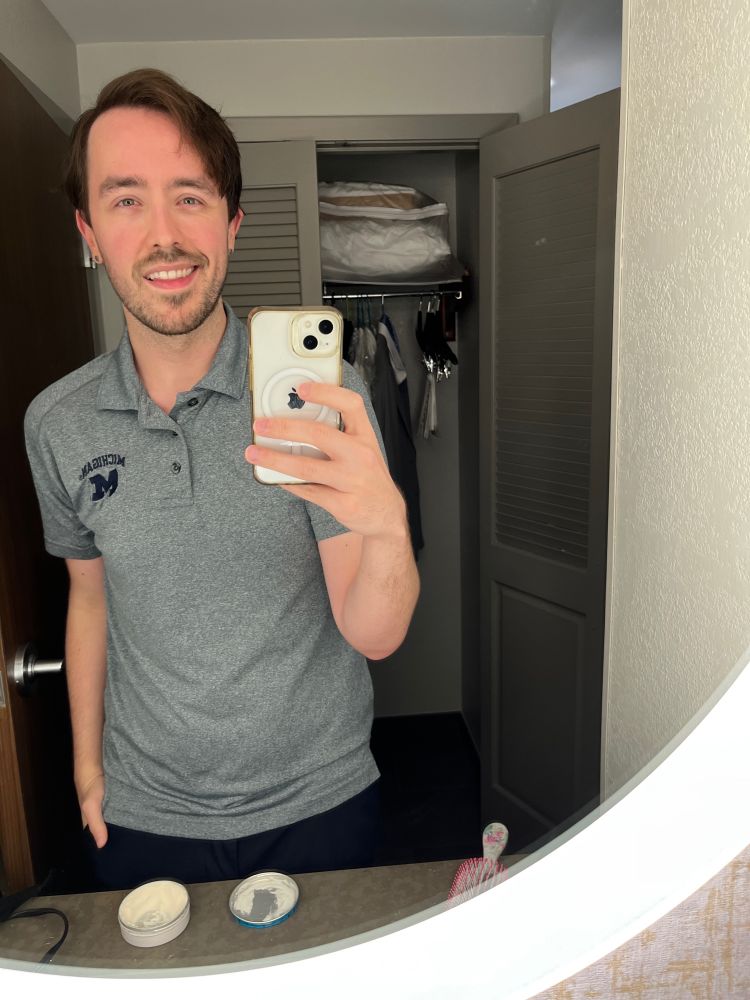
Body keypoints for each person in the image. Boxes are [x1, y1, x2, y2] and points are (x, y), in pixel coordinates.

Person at [23, 68, 420, 891]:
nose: (164, 234)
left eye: (191, 196)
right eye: (126, 199)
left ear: (233, 224)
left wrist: (386, 525)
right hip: (143, 814)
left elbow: (374, 632)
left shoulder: (321, 397)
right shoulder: (57, 426)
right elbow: (89, 599)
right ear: (88, 231)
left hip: (321, 801)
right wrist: (86, 772)